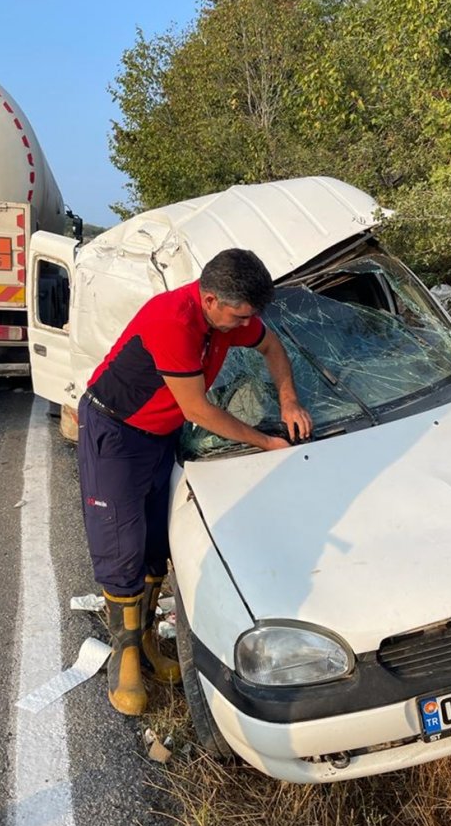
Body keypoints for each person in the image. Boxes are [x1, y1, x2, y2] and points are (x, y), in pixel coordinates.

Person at [77, 248, 312, 715]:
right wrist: (266, 444)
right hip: (116, 432)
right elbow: (199, 410)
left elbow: (272, 346)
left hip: (161, 434)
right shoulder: (172, 320)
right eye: (239, 315)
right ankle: (123, 660)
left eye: (252, 315)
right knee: (121, 544)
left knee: (154, 545)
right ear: (209, 300)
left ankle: (146, 644)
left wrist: (288, 400)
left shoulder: (231, 314)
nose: (246, 324)